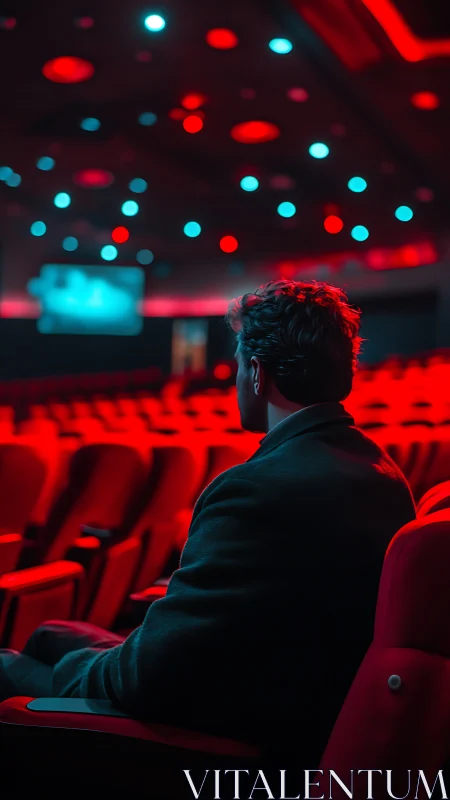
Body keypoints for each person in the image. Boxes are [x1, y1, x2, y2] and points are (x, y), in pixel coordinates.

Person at [0, 279, 416, 765]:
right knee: (51, 633)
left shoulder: (257, 487)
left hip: (234, 727)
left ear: (258, 374)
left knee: (10, 665)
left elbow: (145, 679)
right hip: (297, 695)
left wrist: (84, 667)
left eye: (239, 366)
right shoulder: (384, 472)